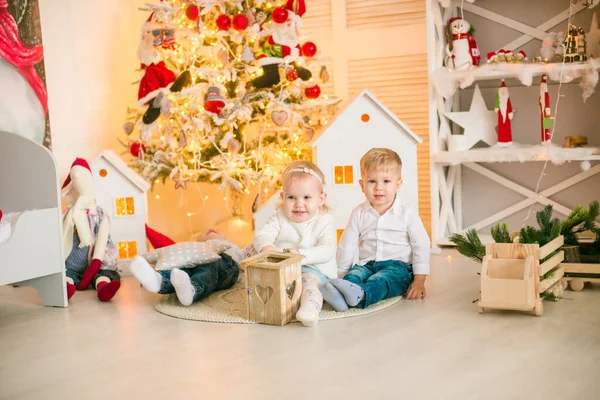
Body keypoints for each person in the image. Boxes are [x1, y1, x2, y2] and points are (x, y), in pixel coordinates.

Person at [321, 148, 430, 312]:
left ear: (398, 184)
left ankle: (362, 295)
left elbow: (421, 245)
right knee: (355, 275)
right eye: (372, 181)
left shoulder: (407, 213)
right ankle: (341, 294)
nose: (379, 187)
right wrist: (342, 274)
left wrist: (419, 280)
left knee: (382, 280)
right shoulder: (359, 212)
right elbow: (347, 244)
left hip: (398, 267)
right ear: (362, 185)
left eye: (386, 181)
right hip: (367, 264)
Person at [251, 160, 336, 327]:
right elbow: (262, 234)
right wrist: (267, 247)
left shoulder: (324, 220)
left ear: (321, 198)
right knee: (256, 259)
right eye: (291, 197)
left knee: (309, 286)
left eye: (306, 197)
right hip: (284, 265)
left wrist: (299, 256)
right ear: (283, 197)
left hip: (313, 268)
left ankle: (310, 309)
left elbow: (328, 250)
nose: (299, 204)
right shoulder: (279, 216)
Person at [130, 229, 243, 306]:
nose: (211, 228)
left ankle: (193, 290)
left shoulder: (231, 245)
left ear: (225, 238)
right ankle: (160, 281)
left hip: (227, 266)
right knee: (181, 271)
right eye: (204, 233)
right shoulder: (195, 249)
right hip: (199, 263)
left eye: (217, 230)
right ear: (197, 241)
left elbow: (245, 260)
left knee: (210, 264)